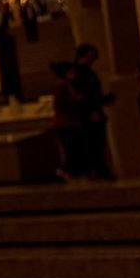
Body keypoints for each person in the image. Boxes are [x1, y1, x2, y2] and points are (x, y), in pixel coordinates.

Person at [74, 44, 115, 179]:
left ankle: (97, 170)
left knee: (95, 144)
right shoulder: (84, 74)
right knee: (95, 144)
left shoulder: (82, 73)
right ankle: (99, 169)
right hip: (90, 114)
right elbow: (88, 95)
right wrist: (93, 109)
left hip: (90, 113)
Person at [52, 61, 86, 179]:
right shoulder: (62, 85)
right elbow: (61, 104)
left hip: (68, 122)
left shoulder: (66, 84)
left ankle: (72, 171)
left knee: (73, 149)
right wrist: (77, 100)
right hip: (66, 123)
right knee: (71, 149)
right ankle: (66, 170)